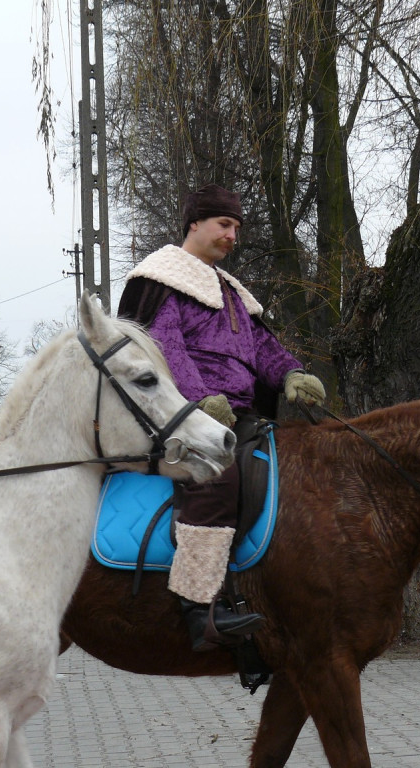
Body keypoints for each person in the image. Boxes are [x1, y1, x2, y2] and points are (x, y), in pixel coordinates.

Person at [118, 183, 326, 651]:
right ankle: (199, 610)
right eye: (224, 224)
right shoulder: (158, 280)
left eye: (236, 227)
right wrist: (198, 401)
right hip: (180, 417)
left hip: (240, 415)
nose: (233, 235)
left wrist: (292, 372)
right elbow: (162, 347)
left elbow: (262, 349)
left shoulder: (232, 292)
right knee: (219, 477)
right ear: (195, 223)